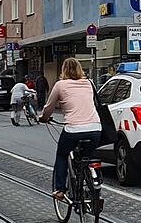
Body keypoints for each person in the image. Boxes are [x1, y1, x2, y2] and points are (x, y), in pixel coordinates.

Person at [39, 58, 101, 200]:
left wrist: (43, 118)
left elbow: (49, 107)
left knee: (62, 155)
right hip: (95, 128)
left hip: (73, 129)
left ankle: (60, 189)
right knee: (87, 158)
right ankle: (90, 182)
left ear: (63, 70)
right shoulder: (89, 83)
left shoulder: (60, 85)